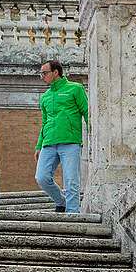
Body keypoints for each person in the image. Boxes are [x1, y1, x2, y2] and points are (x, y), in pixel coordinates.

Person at [35, 60, 88, 214]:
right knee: (42, 177)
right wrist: (39, 145)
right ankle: (60, 201)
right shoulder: (45, 96)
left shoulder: (75, 89)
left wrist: (92, 137)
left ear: (56, 72)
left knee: (71, 180)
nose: (42, 76)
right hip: (49, 142)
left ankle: (72, 213)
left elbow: (87, 112)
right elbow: (45, 122)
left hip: (70, 142)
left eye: (44, 73)